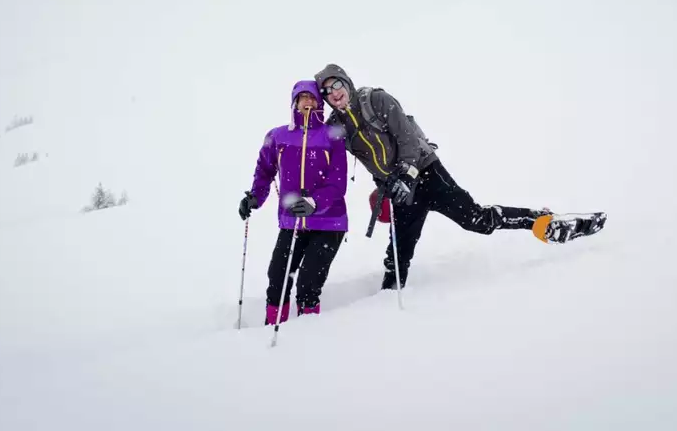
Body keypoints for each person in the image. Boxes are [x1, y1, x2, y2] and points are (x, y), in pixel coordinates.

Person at [313, 64, 606, 290]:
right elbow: (328, 154)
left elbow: (408, 140)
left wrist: (406, 173)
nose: (334, 93)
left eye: (336, 84)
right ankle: (387, 307)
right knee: (397, 260)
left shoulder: (376, 100)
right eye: (326, 91)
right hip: (401, 192)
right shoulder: (336, 126)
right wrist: (383, 187)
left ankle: (541, 220)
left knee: (476, 220)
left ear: (347, 82)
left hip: (426, 173)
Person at [238, 80, 348, 324]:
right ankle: (272, 327)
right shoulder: (277, 136)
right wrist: (255, 197)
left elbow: (338, 183)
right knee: (277, 276)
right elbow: (264, 171)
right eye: (302, 97)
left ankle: (306, 334)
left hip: (329, 222)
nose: (307, 102)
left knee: (309, 282)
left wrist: (314, 202)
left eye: (312, 97)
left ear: (320, 102)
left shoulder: (333, 136)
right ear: (294, 102)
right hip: (292, 221)